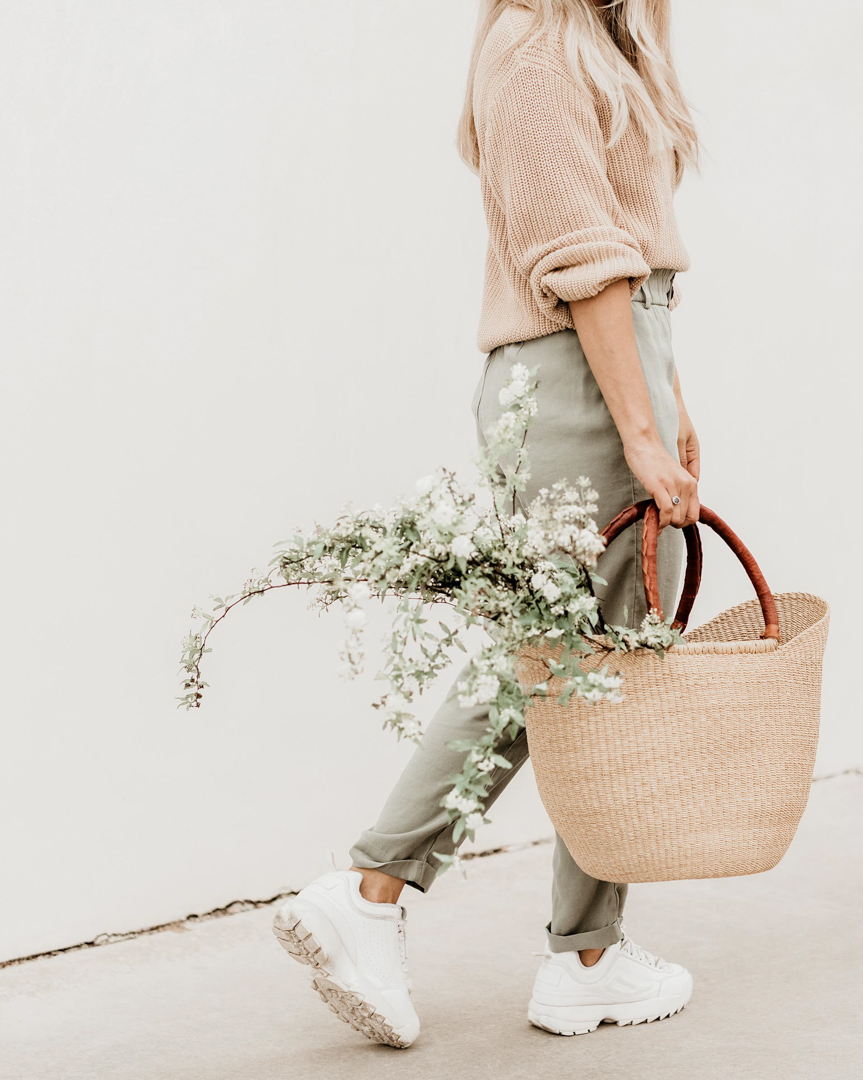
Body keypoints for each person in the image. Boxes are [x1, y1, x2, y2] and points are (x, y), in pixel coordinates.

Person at [271, 0, 703, 1047]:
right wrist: (641, 432)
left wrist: (672, 408)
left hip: (609, 373)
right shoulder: (538, 49)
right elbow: (585, 260)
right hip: (577, 387)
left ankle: (585, 952)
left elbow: (631, 273)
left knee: (596, 664)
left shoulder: (598, 41)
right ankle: (375, 889)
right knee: (557, 660)